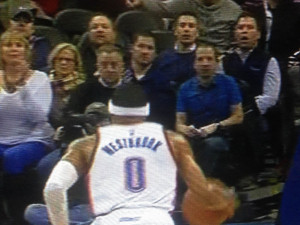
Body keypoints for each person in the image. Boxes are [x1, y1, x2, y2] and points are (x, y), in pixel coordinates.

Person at [25, 82, 235, 225]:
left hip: (109, 220)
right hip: (157, 219)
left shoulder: (87, 144)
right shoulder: (174, 141)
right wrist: (217, 201)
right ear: (146, 110)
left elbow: (53, 188)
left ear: (111, 110)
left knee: (34, 211)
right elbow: (201, 193)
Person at [0, 31, 54, 224]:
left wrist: (22, 87)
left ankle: (19, 215)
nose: (13, 49)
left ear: (26, 51)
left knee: (12, 157)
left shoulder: (40, 79)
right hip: (2, 139)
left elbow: (39, 117)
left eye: (18, 45)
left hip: (34, 139)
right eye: (8, 45)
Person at [222, 12, 281, 182]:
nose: (244, 32)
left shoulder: (268, 61)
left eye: (249, 28)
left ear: (258, 34)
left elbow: (271, 96)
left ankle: (254, 170)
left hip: (255, 111)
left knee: (249, 121)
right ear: (235, 33)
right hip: (228, 112)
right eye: (240, 28)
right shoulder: (224, 61)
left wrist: (246, 109)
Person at [176, 44, 243, 186]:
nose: (205, 63)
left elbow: (238, 116)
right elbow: (179, 122)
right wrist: (186, 129)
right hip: (194, 136)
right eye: (200, 59)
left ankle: (198, 187)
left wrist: (217, 126)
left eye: (209, 59)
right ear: (194, 64)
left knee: (212, 144)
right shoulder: (185, 88)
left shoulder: (229, 83)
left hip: (221, 135)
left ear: (216, 63)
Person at [140, 11, 201, 130]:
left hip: (194, 114)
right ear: (175, 31)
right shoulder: (162, 58)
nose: (186, 29)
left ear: (197, 32)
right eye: (182, 25)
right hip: (163, 115)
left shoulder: (204, 57)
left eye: (191, 26)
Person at [125, 0, 242, 52]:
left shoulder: (234, 10)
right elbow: (162, 7)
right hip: (189, 54)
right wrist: (141, 2)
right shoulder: (185, 2)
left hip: (221, 57)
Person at [66, 44, 124, 115]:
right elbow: (70, 116)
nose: (109, 69)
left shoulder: (132, 91)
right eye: (104, 65)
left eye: (114, 64)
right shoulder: (83, 90)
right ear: (97, 66)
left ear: (122, 66)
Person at [47, 43, 85, 129]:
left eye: (68, 60)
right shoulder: (44, 83)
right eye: (60, 59)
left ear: (76, 63)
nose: (63, 63)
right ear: (53, 61)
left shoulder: (83, 85)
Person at [7, 5, 51, 72]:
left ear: (33, 28)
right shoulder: (2, 44)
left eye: (26, 20)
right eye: (17, 20)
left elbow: (43, 68)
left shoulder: (41, 44)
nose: (21, 24)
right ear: (9, 24)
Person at [77, 14, 117, 80]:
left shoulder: (124, 54)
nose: (100, 30)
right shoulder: (79, 55)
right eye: (94, 27)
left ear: (114, 33)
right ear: (88, 33)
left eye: (105, 27)